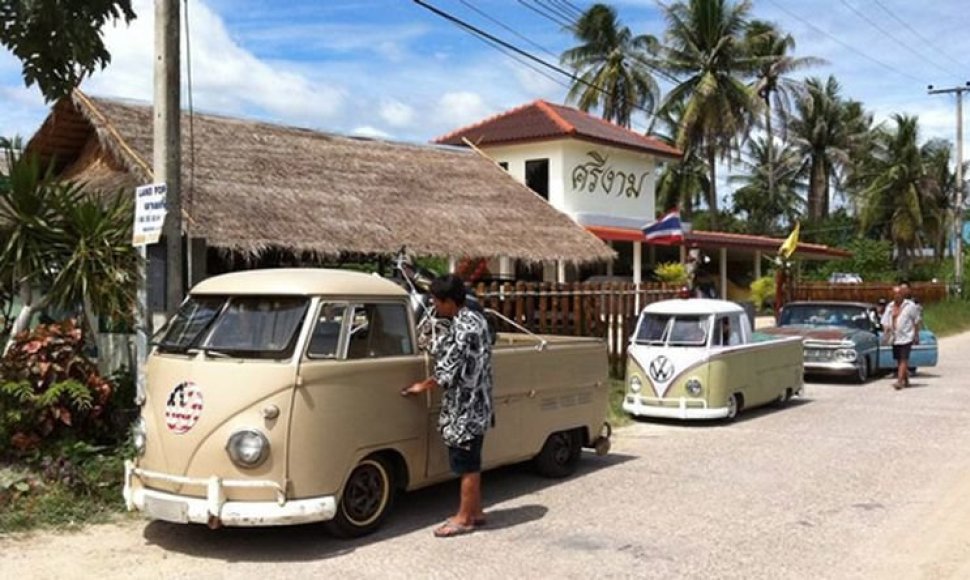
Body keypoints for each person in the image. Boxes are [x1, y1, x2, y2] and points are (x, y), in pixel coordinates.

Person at [401, 274, 494, 537]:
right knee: (472, 461)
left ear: (450, 302)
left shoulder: (463, 329)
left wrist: (421, 386)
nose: (434, 306)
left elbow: (448, 371)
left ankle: (463, 519)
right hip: (479, 404)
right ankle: (474, 511)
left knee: (466, 463)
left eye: (436, 301)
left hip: (465, 409)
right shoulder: (477, 320)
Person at [880, 285, 921, 390]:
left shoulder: (910, 306)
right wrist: (886, 333)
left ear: (903, 294)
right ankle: (905, 379)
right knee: (899, 359)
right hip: (895, 337)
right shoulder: (889, 306)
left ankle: (899, 381)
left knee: (903, 359)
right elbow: (885, 321)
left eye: (899, 293)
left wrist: (916, 335)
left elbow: (916, 321)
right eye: (894, 294)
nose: (897, 295)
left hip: (907, 336)